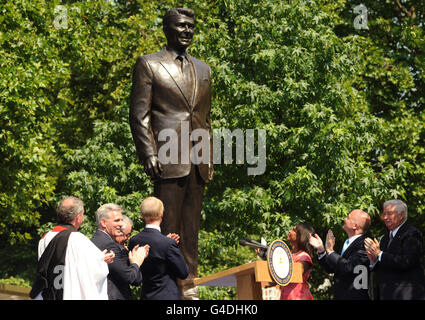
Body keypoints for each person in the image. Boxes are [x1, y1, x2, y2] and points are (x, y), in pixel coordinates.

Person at [129, 7, 213, 299]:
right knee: (167, 229)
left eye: (191, 26)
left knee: (191, 230)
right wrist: (148, 153)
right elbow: (139, 115)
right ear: (166, 29)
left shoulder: (203, 69)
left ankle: (189, 285)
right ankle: (164, 286)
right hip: (167, 157)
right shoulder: (149, 64)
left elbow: (205, 117)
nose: (187, 31)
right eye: (181, 26)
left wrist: (208, 156)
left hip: (198, 161)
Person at [30, 196, 114, 300]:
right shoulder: (78, 239)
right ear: (78, 217)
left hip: (49, 293)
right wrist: (102, 260)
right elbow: (93, 271)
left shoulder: (45, 238)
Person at [129, 197, 189, 300]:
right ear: (161, 214)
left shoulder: (134, 241)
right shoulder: (168, 244)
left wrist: (166, 242)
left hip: (146, 296)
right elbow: (183, 273)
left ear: (142, 216)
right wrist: (169, 244)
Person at [365, 200, 425, 300]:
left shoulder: (412, 234)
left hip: (406, 295)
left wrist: (380, 254)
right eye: (384, 214)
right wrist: (374, 260)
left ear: (401, 215)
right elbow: (385, 266)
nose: (385, 218)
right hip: (386, 294)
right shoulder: (385, 238)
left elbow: (406, 262)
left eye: (389, 213)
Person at [91, 203, 149, 300]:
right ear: (103, 223)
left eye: (121, 220)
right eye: (117, 220)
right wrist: (136, 261)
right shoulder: (108, 245)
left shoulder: (95, 240)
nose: (121, 224)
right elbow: (130, 277)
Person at [309, 209, 371, 300]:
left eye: (348, 218)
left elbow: (349, 267)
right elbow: (333, 268)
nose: (345, 219)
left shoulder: (364, 244)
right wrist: (321, 250)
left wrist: (330, 250)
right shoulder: (348, 242)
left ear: (355, 226)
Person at [280, 222, 315, 300]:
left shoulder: (304, 256)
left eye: (293, 230)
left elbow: (295, 273)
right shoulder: (287, 254)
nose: (289, 231)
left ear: (301, 236)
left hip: (299, 297)